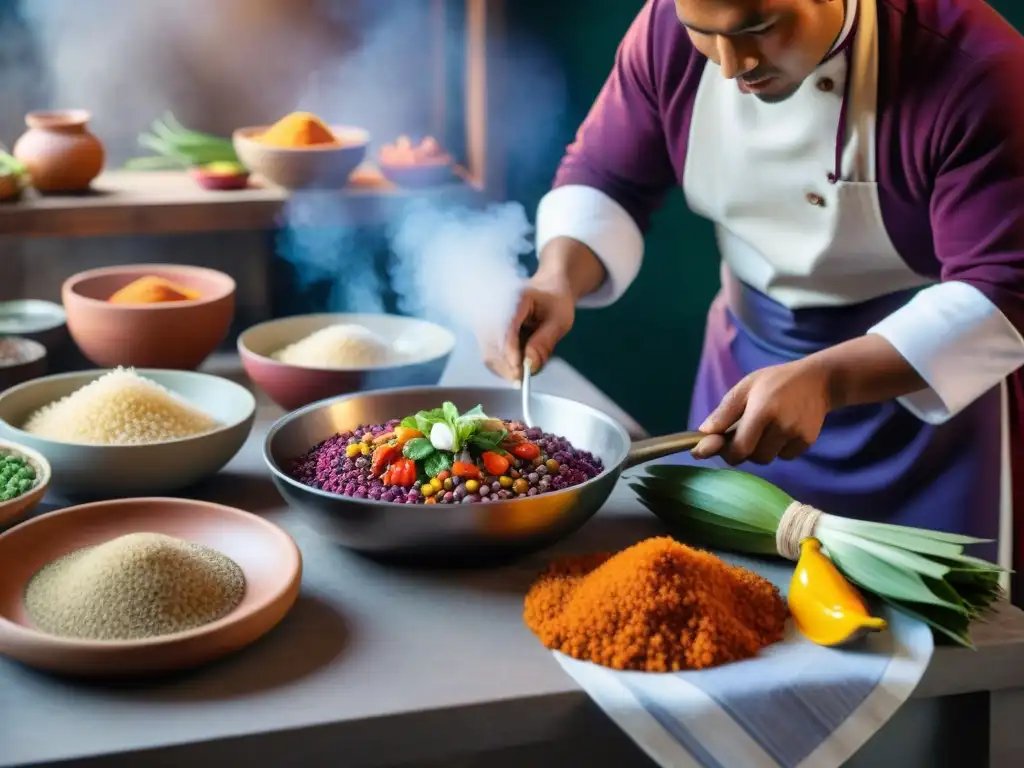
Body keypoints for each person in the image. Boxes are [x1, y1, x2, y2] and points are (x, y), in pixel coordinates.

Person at [482, 0, 1024, 591]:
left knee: (938, 651)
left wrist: (827, 380)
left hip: (922, 410)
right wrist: (557, 278)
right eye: (703, 33)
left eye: (759, 29)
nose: (731, 65)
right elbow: (608, 177)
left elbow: (1002, 287)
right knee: (726, 612)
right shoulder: (666, 28)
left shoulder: (974, 67)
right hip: (742, 370)